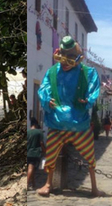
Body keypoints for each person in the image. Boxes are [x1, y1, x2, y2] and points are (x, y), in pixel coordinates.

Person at [37, 36, 101, 197]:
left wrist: (88, 100)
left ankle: (94, 186)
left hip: (80, 125)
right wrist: (46, 99)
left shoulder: (88, 73)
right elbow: (43, 88)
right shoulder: (52, 72)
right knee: (51, 156)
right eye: (63, 58)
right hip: (56, 124)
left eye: (71, 59)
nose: (65, 63)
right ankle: (48, 183)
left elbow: (94, 89)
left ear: (79, 58)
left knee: (90, 158)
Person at [26, 118, 46, 191]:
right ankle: (27, 184)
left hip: (28, 152)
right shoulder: (39, 132)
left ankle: (33, 184)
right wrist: (45, 151)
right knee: (31, 168)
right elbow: (41, 143)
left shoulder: (27, 132)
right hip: (35, 153)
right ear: (35, 125)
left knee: (31, 169)